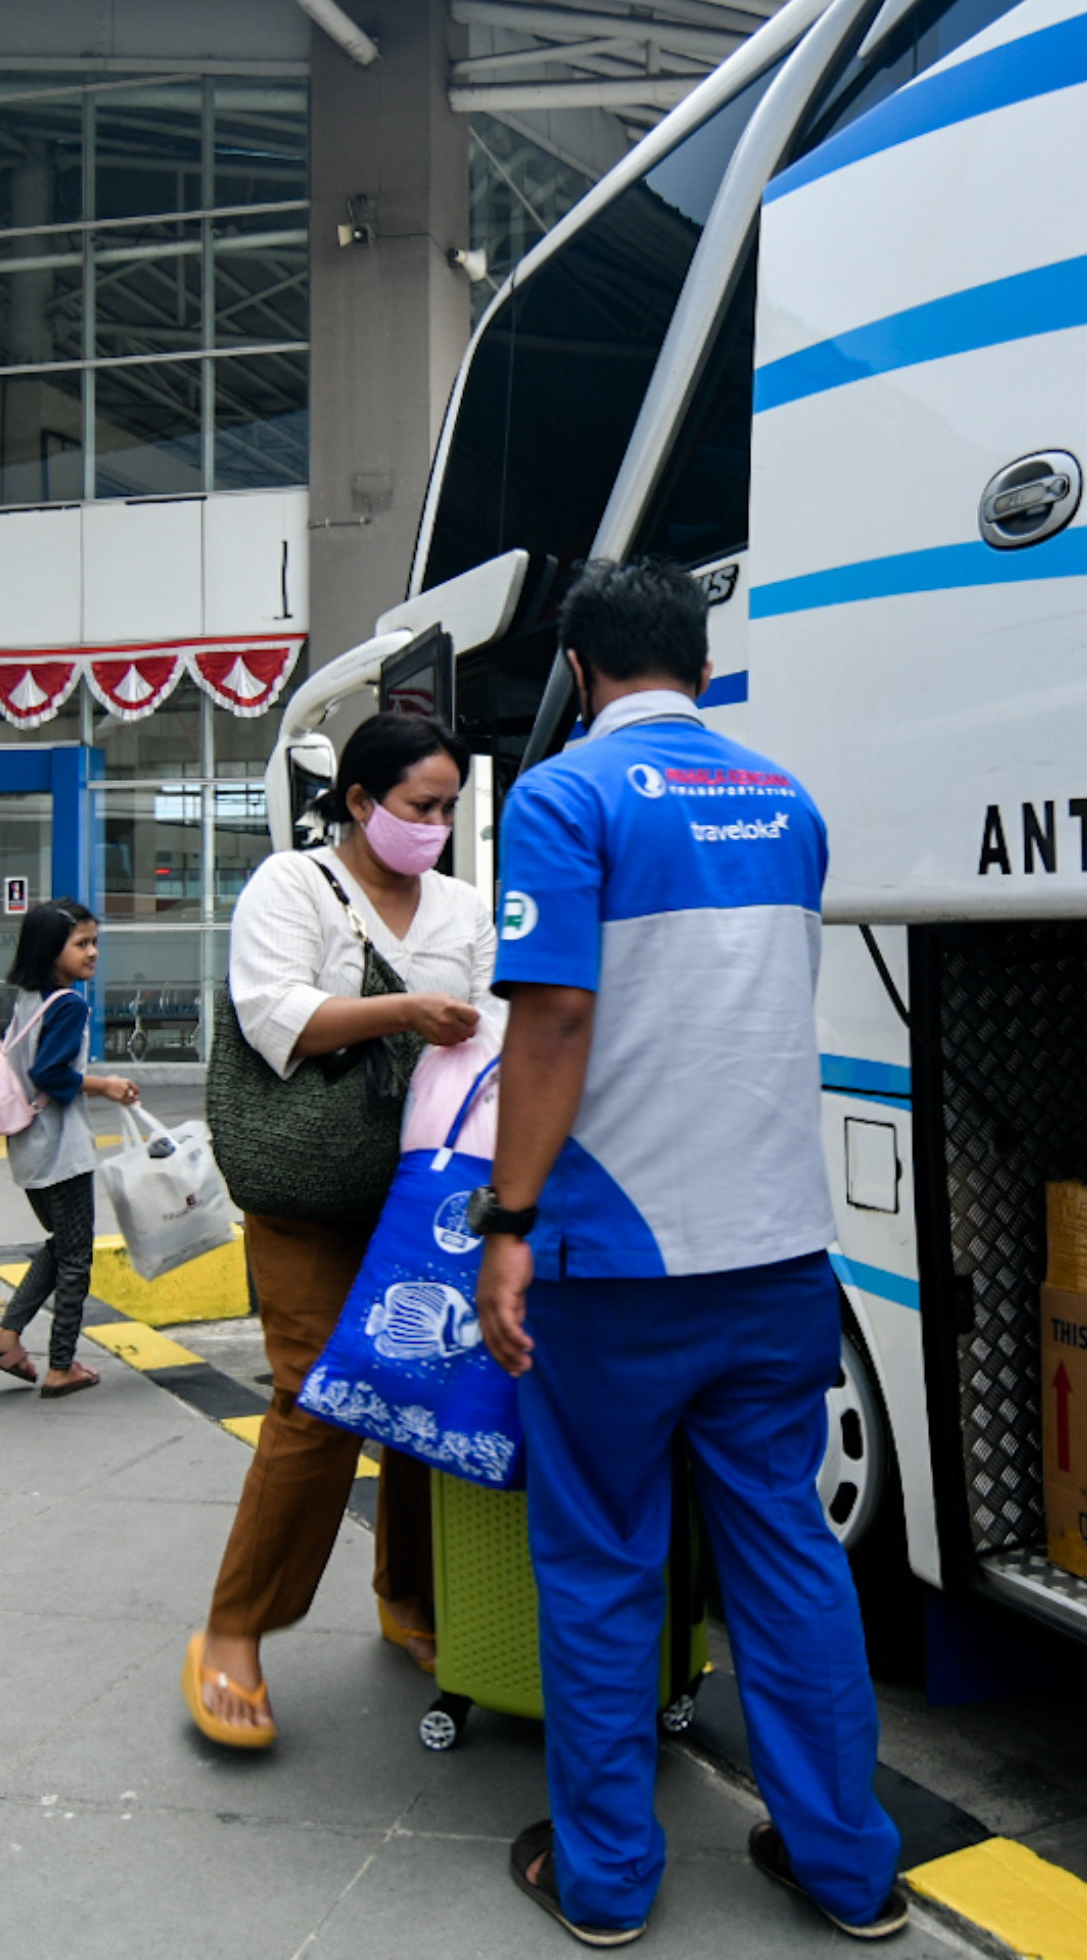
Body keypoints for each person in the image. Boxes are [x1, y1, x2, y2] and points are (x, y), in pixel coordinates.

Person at [472, 560, 908, 1944]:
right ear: (701, 667)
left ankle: (604, 1885)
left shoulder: (565, 797)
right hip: (780, 1255)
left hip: (615, 1261)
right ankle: (851, 1871)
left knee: (602, 1561)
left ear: (580, 671)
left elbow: (549, 1027)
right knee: (787, 1553)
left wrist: (509, 1225)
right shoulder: (789, 801)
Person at [185, 711, 498, 1748]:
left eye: (450, 805)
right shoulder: (292, 884)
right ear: (361, 801)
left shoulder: (461, 905)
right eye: (421, 805)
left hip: (421, 1191)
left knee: (420, 1389)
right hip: (305, 1191)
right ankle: (235, 1627)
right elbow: (276, 1015)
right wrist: (407, 1009)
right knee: (313, 1399)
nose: (438, 825)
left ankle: (410, 1594)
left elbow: (493, 1019)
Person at [0, 898, 141, 1399]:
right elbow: (50, 1073)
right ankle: (61, 1365)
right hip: (59, 1148)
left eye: (95, 943)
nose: (92, 953)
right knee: (76, 1257)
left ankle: (5, 1336)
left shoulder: (30, 998)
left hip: (27, 1145)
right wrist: (105, 1084)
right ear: (51, 951)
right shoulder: (68, 1004)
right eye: (82, 944)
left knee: (61, 1244)